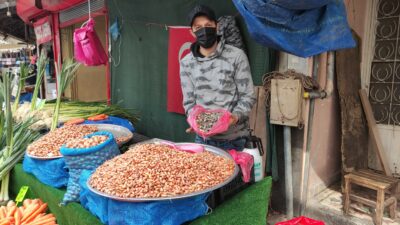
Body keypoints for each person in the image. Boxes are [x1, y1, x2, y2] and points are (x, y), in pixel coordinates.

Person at [180, 5, 256, 151]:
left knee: (234, 174)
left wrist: (234, 117)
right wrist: (193, 120)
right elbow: (189, 102)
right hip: (203, 140)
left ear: (217, 26)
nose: (204, 30)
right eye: (198, 27)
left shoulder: (236, 56)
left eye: (208, 25)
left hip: (235, 139)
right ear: (192, 32)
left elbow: (248, 96)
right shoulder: (187, 63)